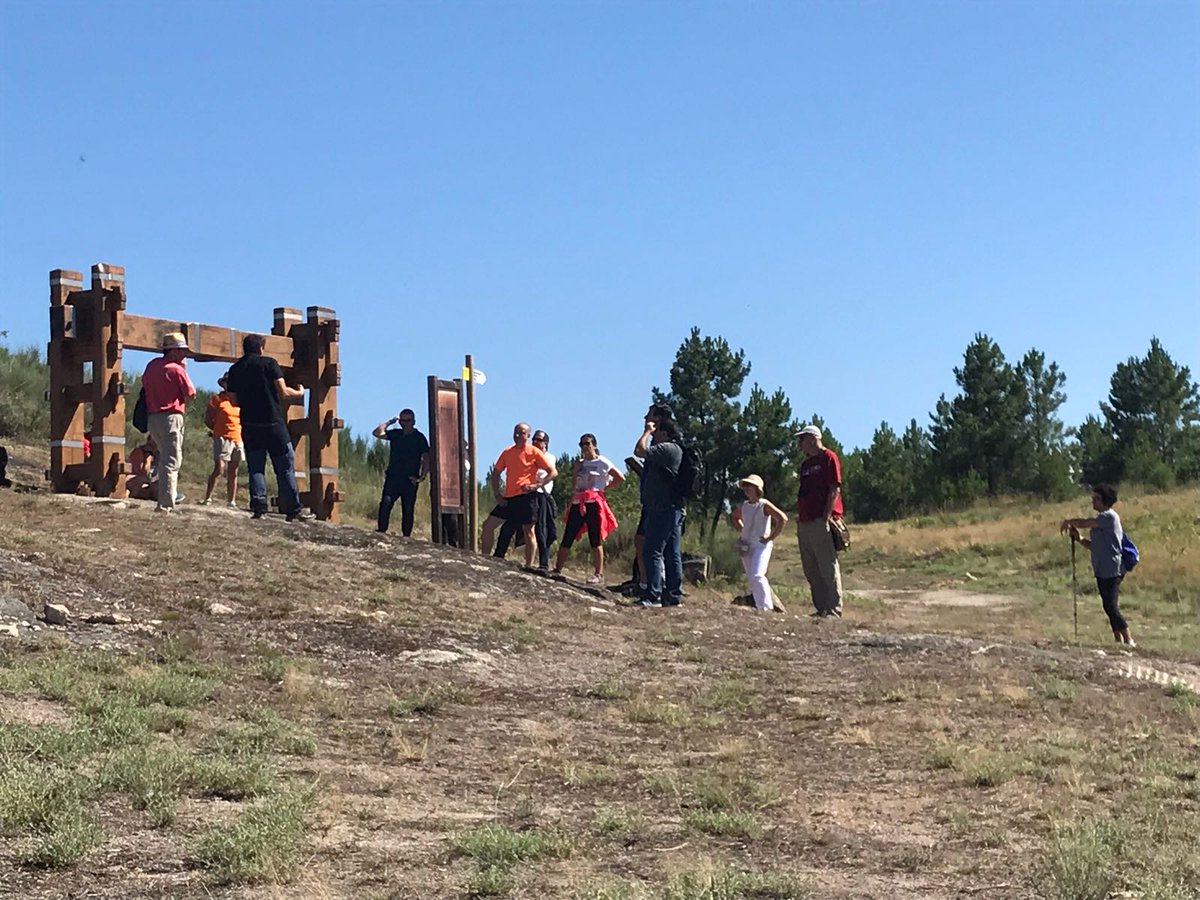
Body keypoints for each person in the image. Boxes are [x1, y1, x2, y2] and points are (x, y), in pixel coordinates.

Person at [226, 334, 315, 522]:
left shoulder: (235, 369)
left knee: (255, 468)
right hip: (273, 423)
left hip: (250, 425)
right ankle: (293, 509)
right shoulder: (269, 363)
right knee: (284, 466)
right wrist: (298, 392)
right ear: (261, 348)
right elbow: (283, 392)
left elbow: (233, 400)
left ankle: (259, 508)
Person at [1060, 484, 1136, 647]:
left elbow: (1085, 522)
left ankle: (1129, 639)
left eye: (1096, 498)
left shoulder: (1109, 517)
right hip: (1101, 567)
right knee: (1107, 605)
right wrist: (1079, 539)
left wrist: (1068, 521)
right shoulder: (1101, 519)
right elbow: (1094, 546)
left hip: (1112, 568)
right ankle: (1118, 639)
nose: (1092, 501)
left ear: (1104, 500)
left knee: (1110, 605)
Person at [632, 405, 684, 608]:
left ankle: (653, 594)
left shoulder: (667, 449)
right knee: (672, 553)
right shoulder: (673, 450)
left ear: (664, 432)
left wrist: (646, 432)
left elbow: (639, 450)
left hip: (662, 508)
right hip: (672, 508)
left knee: (652, 550)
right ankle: (672, 595)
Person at [485, 423, 557, 567]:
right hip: (509, 497)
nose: (518, 435)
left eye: (522, 433)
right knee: (488, 525)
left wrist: (537, 485)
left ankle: (529, 566)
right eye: (516, 432)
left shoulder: (534, 452)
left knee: (529, 530)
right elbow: (496, 474)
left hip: (526, 497)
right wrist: (497, 495)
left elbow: (553, 472)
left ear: (528, 436)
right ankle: (484, 558)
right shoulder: (507, 452)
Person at [554, 433, 623, 584]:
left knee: (595, 537)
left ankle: (599, 573)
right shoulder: (580, 463)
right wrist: (575, 471)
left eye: (587, 444)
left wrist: (603, 488)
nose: (584, 447)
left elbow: (620, 477)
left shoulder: (602, 462)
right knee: (568, 535)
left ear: (594, 445)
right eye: (582, 444)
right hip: (579, 501)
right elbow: (574, 485)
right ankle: (557, 569)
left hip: (594, 502)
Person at [141, 332, 196, 513]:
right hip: (171, 417)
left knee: (164, 458)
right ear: (173, 352)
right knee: (171, 461)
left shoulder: (151, 366)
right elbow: (191, 393)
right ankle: (165, 504)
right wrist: (184, 370)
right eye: (182, 351)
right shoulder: (177, 369)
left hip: (153, 417)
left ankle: (164, 499)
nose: (184, 355)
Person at [795, 424, 844, 618]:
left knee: (827, 566)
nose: (800, 444)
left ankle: (834, 608)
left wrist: (826, 516)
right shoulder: (805, 465)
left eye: (802, 439)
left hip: (821, 519)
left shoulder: (828, 458)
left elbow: (834, 488)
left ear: (813, 438)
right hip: (805, 521)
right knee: (811, 568)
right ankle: (821, 607)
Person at [731, 474, 788, 612]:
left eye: (749, 486)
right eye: (745, 486)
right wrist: (743, 530)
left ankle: (766, 607)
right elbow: (735, 516)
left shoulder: (764, 505)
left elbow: (782, 519)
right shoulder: (744, 505)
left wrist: (771, 537)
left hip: (761, 545)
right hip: (746, 545)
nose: (746, 489)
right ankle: (759, 605)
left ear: (757, 488)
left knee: (757, 575)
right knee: (752, 577)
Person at [372, 408, 430, 535]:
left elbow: (427, 459)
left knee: (408, 510)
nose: (405, 423)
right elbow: (377, 433)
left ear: (413, 421)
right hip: (393, 477)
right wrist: (390, 422)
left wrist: (421, 477)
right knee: (386, 503)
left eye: (408, 420)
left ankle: (406, 537)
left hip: (410, 480)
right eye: (402, 420)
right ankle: (381, 531)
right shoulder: (396, 434)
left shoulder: (419, 438)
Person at [202, 371, 243, 508]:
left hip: (238, 437)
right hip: (222, 437)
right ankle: (208, 498)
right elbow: (208, 419)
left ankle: (231, 501)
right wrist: (216, 430)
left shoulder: (240, 400)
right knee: (219, 468)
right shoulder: (217, 399)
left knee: (234, 471)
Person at [125, 436, 158, 500]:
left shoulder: (158, 454)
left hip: (142, 481)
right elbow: (145, 470)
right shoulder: (140, 452)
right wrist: (147, 456)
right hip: (133, 480)